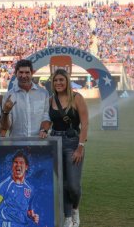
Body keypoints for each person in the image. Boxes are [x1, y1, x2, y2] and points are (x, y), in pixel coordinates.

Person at [49, 69, 88, 227]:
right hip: (55, 141)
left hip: (73, 142)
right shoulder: (50, 99)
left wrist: (80, 147)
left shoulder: (77, 98)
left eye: (61, 80)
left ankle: (75, 210)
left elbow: (85, 124)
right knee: (63, 184)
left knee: (73, 185)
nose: (59, 83)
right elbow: (46, 120)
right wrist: (44, 130)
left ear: (67, 81)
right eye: (56, 80)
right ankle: (67, 219)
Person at [0, 150, 40, 227]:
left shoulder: (29, 188)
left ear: (26, 167)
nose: (18, 165)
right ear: (12, 166)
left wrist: (33, 216)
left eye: (21, 163)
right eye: (15, 162)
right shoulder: (4, 186)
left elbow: (28, 211)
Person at [0, 59, 51, 138]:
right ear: (16, 74)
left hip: (38, 142)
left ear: (32, 73)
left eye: (27, 72)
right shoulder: (9, 96)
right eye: (21, 72)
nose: (23, 76)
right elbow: (5, 127)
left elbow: (46, 116)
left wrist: (43, 130)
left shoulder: (43, 93)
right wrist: (6, 112)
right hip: (17, 144)